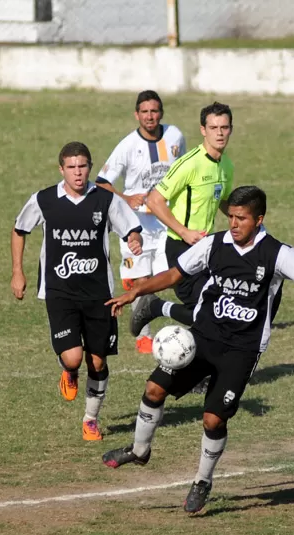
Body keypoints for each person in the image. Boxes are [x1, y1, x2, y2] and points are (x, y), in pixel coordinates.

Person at [101, 186, 294, 513]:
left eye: (241, 218)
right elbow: (175, 274)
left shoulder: (278, 254)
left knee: (213, 420)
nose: (233, 223)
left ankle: (202, 481)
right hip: (203, 337)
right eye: (230, 216)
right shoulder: (213, 244)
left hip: (242, 350)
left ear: (259, 220)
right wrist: (136, 291)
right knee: (154, 388)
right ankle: (139, 450)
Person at [11, 142, 144, 441]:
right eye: (71, 167)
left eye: (82, 166)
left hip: (100, 295)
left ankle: (90, 419)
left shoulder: (106, 201)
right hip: (60, 292)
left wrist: (135, 240)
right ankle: (68, 371)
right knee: (73, 358)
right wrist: (18, 272)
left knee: (97, 361)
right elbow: (20, 230)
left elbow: (131, 229)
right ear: (61, 170)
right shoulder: (44, 200)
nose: (77, 173)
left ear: (90, 167)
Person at [128, 101, 235, 341]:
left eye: (224, 127)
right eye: (213, 127)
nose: (219, 133)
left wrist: (246, 220)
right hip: (181, 248)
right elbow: (155, 200)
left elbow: (221, 200)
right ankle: (155, 307)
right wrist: (184, 232)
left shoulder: (226, 165)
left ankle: (202, 373)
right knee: (209, 314)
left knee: (218, 311)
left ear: (230, 130)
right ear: (203, 130)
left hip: (206, 249)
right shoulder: (190, 163)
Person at [95, 90, 187, 354]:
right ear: (136, 115)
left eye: (155, 111)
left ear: (161, 113)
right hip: (134, 225)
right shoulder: (127, 146)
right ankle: (144, 336)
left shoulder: (175, 136)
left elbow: (183, 170)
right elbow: (102, 184)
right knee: (141, 280)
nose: (150, 116)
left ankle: (135, 282)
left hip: (165, 221)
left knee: (166, 278)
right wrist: (126, 196)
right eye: (145, 112)